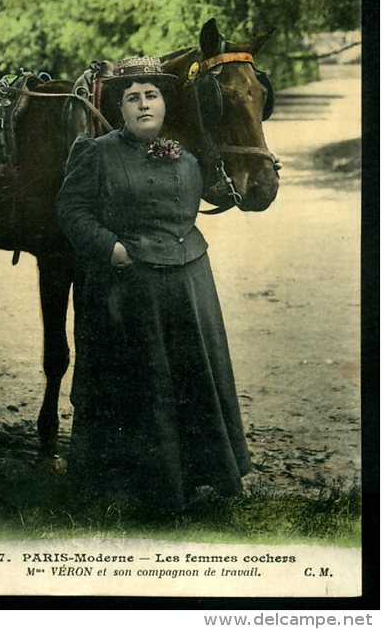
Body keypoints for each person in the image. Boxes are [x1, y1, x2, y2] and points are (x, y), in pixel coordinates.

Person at [56, 56, 251, 512]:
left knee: (190, 379)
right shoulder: (95, 151)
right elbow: (71, 211)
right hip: (129, 289)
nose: (144, 104)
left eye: (151, 95)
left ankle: (201, 475)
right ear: (120, 108)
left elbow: (217, 192)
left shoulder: (186, 156)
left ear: (164, 104)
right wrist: (110, 248)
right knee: (141, 384)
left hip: (188, 287)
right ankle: (138, 487)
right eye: (133, 98)